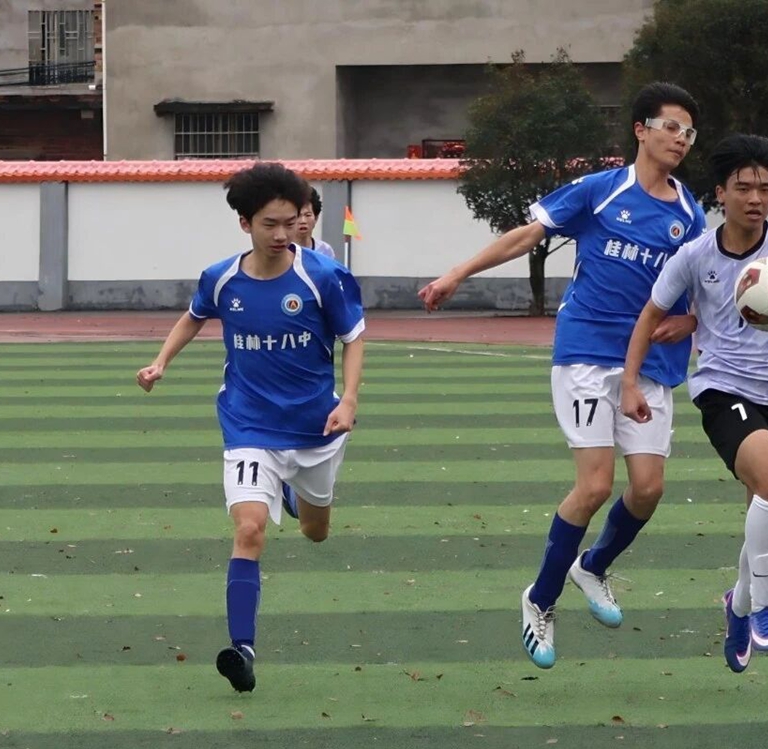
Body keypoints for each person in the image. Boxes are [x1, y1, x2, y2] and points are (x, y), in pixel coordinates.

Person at [418, 82, 707, 669]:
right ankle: (540, 599)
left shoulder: (689, 213)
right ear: (641, 130)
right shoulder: (600, 190)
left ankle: (592, 567)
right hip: (587, 353)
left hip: (649, 364)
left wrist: (693, 319)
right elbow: (529, 234)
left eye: (689, 132)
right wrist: (457, 273)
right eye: (671, 127)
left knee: (648, 488)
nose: (681, 139)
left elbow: (708, 281)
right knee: (595, 485)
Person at [619, 134, 768, 673]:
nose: (756, 198)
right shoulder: (695, 255)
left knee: (765, 511)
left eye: (765, 189)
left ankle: (739, 605)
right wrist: (630, 382)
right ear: (720, 193)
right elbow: (650, 316)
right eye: (744, 187)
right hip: (723, 389)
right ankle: (766, 610)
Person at [136, 163, 366, 692]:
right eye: (270, 224)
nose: (284, 233)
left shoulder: (323, 276)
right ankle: (242, 649)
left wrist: (349, 399)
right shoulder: (221, 278)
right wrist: (160, 362)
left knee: (315, 531)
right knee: (248, 530)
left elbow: (353, 337)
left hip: (316, 428)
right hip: (248, 424)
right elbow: (194, 315)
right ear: (245, 223)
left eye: (291, 221)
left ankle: (295, 495)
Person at [296, 186, 338, 261]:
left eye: (308, 215)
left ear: (316, 218)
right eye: (298, 215)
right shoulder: (282, 251)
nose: (303, 221)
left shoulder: (325, 251)